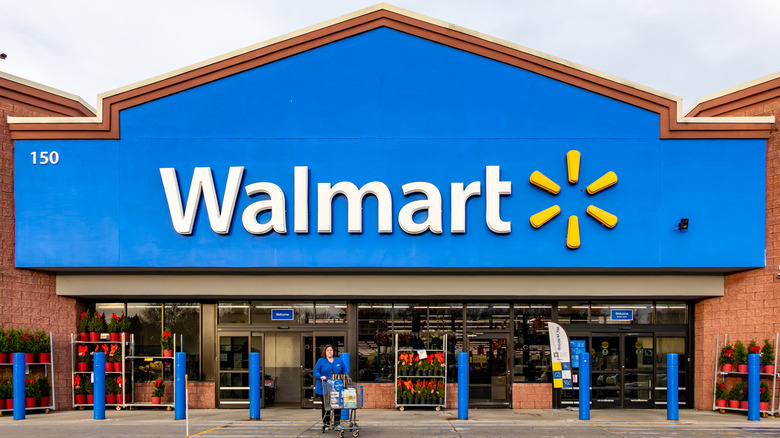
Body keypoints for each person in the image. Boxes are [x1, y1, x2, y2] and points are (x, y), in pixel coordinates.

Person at [314, 344, 346, 429]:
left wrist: (344, 378)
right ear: (325, 352)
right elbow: (316, 372)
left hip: (336, 388)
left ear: (333, 352)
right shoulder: (321, 361)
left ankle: (336, 423)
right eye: (328, 350)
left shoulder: (339, 360)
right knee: (326, 405)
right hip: (324, 387)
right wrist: (321, 376)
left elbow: (345, 370)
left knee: (337, 405)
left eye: (331, 350)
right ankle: (326, 423)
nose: (329, 352)